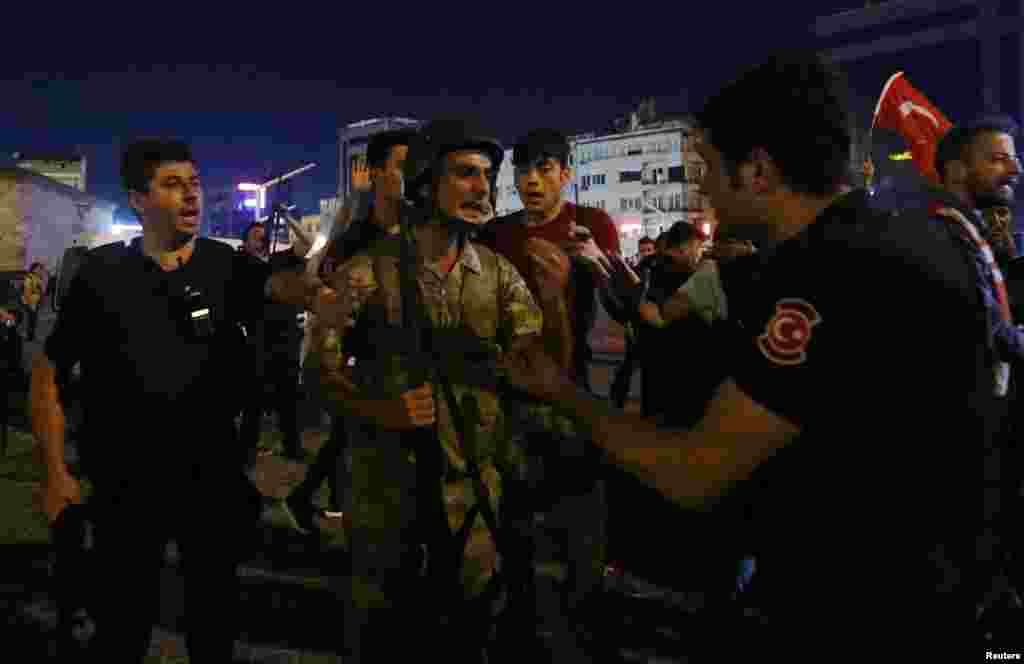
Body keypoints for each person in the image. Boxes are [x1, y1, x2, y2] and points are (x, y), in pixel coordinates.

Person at [500, 51, 993, 658]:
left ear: (757, 170)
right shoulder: (907, 234)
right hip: (945, 596)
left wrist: (561, 392)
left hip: (865, 615)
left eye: (705, 168)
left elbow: (695, 469)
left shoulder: (825, 272)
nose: (700, 190)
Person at [29, 138, 322, 662]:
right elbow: (48, 373)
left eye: (194, 183)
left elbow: (300, 291)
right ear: (139, 199)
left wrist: (318, 255)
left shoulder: (228, 267)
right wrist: (56, 472)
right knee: (121, 627)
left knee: (213, 627)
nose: (191, 195)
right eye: (172, 184)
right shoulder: (100, 275)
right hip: (124, 482)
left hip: (210, 483)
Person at [311, 118, 544, 662]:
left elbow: (533, 365)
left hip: (473, 504)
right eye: (464, 174)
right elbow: (317, 373)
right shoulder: (369, 271)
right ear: (422, 183)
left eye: (486, 175)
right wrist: (378, 407)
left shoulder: (498, 274)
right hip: (385, 499)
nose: (482, 188)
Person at [283, 127, 417, 533]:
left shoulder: (424, 228)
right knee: (355, 437)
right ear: (375, 172)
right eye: (404, 166)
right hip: (365, 363)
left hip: (412, 360)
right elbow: (321, 284)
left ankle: (312, 499)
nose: (415, 175)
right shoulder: (354, 237)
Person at [926, 116, 1024, 624]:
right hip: (955, 447)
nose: (1015, 169)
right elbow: (984, 329)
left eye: (1015, 157)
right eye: (999, 158)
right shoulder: (941, 231)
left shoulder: (974, 233)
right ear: (958, 170)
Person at [236, 217, 312, 463]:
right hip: (258, 341)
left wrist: (287, 217)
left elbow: (308, 243)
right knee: (253, 401)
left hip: (286, 339)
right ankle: (246, 452)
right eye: (255, 234)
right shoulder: (242, 264)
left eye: (264, 232)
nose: (262, 236)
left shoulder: (280, 260)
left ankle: (293, 447)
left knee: (288, 398)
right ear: (245, 243)